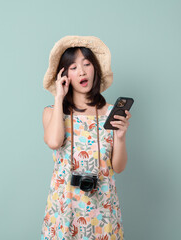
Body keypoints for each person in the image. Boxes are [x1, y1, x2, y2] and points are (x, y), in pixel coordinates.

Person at [41, 36, 131, 240]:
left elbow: (117, 167)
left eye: (87, 64)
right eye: (73, 67)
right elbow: (54, 142)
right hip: (65, 209)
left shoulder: (110, 113)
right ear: (63, 75)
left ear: (95, 69)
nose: (81, 71)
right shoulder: (52, 112)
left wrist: (121, 136)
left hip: (103, 209)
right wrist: (59, 97)